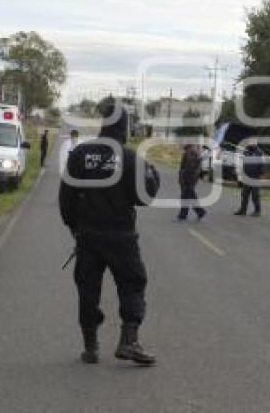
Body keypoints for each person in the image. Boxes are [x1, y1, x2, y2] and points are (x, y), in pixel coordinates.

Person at [59, 103, 161, 366]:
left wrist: (75, 228)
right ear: (124, 127)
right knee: (132, 284)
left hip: (88, 237)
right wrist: (152, 173)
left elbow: (66, 197)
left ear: (103, 124)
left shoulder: (80, 154)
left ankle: (90, 346)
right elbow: (145, 197)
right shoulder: (130, 158)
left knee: (88, 290)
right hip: (121, 238)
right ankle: (129, 340)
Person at [234, 139, 263, 216]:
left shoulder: (259, 152)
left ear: (256, 144)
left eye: (253, 144)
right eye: (250, 144)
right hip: (247, 176)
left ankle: (257, 211)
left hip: (255, 177)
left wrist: (260, 174)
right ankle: (243, 210)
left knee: (255, 195)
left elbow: (262, 164)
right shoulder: (246, 152)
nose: (251, 145)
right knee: (244, 194)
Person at [177, 143, 206, 221]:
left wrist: (184, 178)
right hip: (189, 178)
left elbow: (190, 167)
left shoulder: (190, 152)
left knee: (186, 196)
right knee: (190, 196)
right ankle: (200, 212)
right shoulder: (189, 152)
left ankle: (183, 215)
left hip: (189, 178)